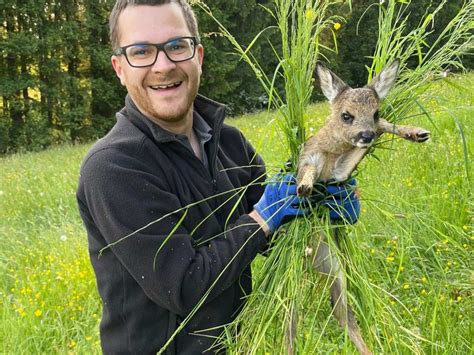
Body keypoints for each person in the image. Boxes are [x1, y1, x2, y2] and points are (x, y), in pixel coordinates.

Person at [76, 1, 360, 354]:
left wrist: (317, 204)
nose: (162, 65)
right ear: (120, 68)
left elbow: (275, 239)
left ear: (198, 55)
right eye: (141, 51)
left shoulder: (229, 143)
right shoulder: (113, 168)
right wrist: (262, 219)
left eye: (176, 45)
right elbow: (183, 286)